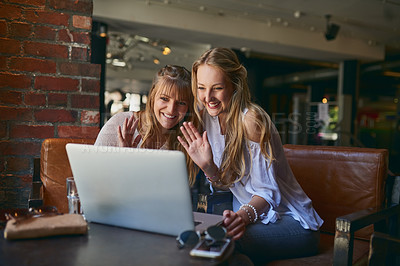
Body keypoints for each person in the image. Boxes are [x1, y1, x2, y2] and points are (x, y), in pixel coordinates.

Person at [178, 48, 323, 263]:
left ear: (235, 85)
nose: (207, 97)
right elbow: (228, 185)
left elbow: (267, 193)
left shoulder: (251, 121)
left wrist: (243, 217)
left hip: (292, 223)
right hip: (249, 219)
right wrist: (208, 167)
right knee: (205, 245)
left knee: (219, 245)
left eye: (217, 88)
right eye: (201, 88)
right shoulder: (207, 117)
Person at [95, 64, 199, 185]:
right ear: (153, 97)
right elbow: (95, 180)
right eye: (164, 99)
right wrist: (122, 159)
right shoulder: (120, 123)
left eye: (181, 103)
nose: (171, 110)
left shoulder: (185, 140)